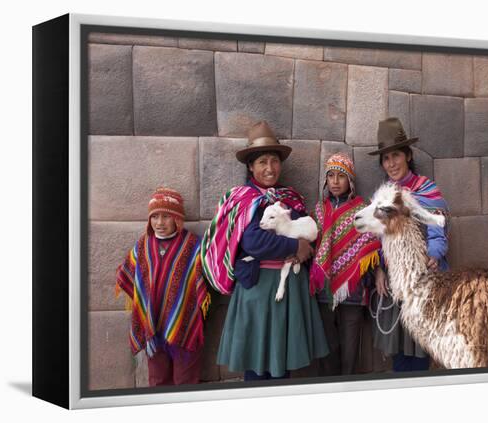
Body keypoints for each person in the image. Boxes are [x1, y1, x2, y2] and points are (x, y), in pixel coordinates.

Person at [201, 120, 329, 381]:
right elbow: (252, 242)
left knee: (283, 361)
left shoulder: (290, 198)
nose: (269, 168)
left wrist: (306, 246)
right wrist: (295, 245)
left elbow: (308, 229)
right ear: (251, 166)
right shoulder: (243, 199)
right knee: (257, 363)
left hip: (289, 288)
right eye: (262, 162)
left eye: (274, 161)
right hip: (258, 289)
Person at [368, 117, 449, 372]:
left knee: (419, 351)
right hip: (396, 283)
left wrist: (433, 254)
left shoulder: (426, 189)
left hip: (423, 281)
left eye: (395, 156)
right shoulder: (384, 196)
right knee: (400, 351)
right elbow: (379, 239)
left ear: (408, 155)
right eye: (386, 159)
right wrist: (380, 268)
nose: (391, 163)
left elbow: (438, 230)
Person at [115, 187, 211, 386]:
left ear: (177, 218)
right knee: (157, 382)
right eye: (154, 216)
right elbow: (129, 276)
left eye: (166, 216)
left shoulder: (194, 246)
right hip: (153, 329)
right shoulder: (143, 246)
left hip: (185, 326)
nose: (159, 223)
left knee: (185, 381)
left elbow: (205, 282)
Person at [309, 153, 382, 375]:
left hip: (353, 290)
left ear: (350, 180)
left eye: (341, 176)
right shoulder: (319, 210)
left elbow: (372, 246)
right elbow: (313, 243)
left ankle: (347, 388)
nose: (335, 181)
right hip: (323, 291)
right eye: (330, 176)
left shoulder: (363, 210)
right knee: (327, 348)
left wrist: (376, 273)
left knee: (350, 349)